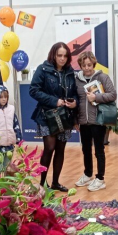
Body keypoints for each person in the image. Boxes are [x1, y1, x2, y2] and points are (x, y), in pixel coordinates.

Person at [29, 42, 78, 191]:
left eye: (65, 56)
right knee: (49, 148)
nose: (62, 58)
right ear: (53, 55)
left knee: (61, 149)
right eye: (59, 55)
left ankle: (55, 182)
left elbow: (75, 93)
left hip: (65, 116)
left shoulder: (70, 72)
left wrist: (74, 102)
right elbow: (34, 90)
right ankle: (42, 184)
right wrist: (54, 101)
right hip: (47, 115)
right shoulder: (43, 69)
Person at [74, 50, 117, 192]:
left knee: (99, 150)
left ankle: (100, 178)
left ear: (94, 64)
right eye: (84, 65)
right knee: (85, 149)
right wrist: (76, 120)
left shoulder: (102, 77)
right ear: (80, 65)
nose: (87, 68)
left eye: (89, 65)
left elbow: (113, 94)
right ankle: (88, 174)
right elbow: (77, 101)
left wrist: (96, 98)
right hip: (84, 121)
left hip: (98, 120)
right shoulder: (77, 80)